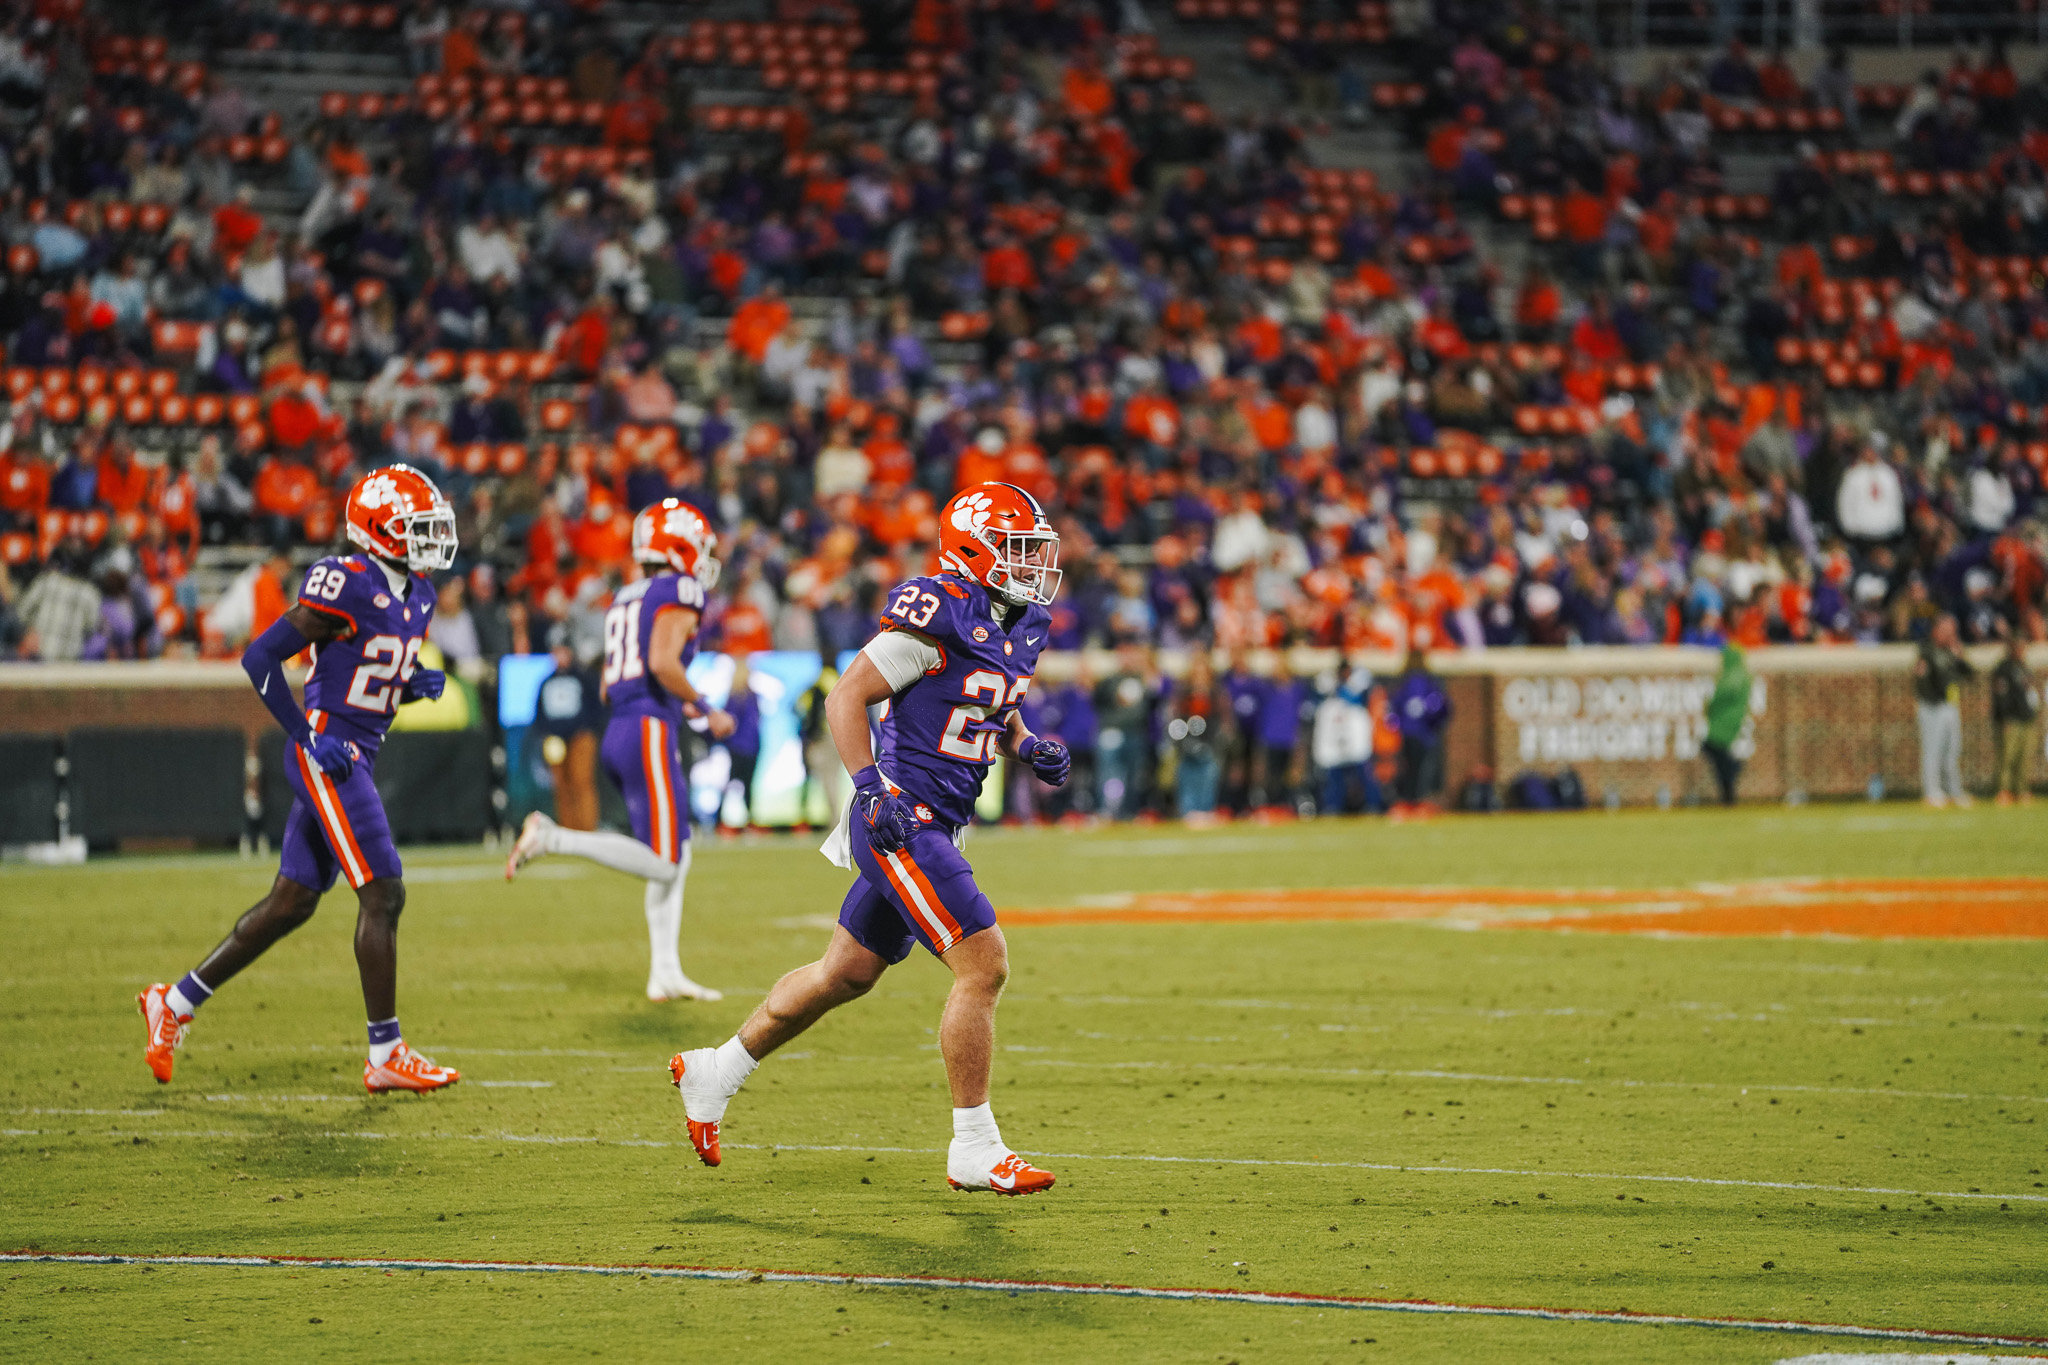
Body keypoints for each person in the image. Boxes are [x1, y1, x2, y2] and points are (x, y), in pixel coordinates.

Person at [667, 483, 1069, 1196]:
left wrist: (1026, 743)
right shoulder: (937, 610)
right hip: (901, 816)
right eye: (1017, 549)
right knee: (983, 964)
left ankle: (714, 1070)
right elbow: (846, 695)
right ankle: (974, 1145)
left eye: (1034, 549)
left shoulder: (1022, 620)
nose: (1033, 563)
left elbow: (991, 702)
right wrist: (868, 787)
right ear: (974, 549)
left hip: (938, 819)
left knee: (844, 973)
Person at [138, 464, 460, 1092]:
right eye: (416, 527)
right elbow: (260, 656)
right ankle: (386, 1051)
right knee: (384, 892)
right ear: (379, 529)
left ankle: (172, 1004)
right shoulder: (347, 581)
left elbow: (365, 674)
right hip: (328, 751)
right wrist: (308, 736)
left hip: (356, 751)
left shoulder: (418, 593)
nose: (429, 538)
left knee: (291, 903)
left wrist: (408, 685)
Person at [507, 499, 731, 1003]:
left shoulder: (627, 594)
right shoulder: (679, 589)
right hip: (647, 730)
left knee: (677, 854)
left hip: (625, 727)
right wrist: (705, 707)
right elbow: (663, 663)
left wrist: (676, 705)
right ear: (678, 546)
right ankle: (553, 837)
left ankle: (665, 972)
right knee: (666, 861)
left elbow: (612, 682)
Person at [1914, 614, 1975, 808]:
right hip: (1932, 706)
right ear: (1936, 630)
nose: (1950, 635)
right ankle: (1932, 792)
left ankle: (1954, 791)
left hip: (1950, 705)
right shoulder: (1927, 651)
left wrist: (1960, 657)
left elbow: (1970, 674)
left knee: (1952, 751)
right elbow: (1922, 681)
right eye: (1946, 630)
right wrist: (1933, 701)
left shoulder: (1952, 652)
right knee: (1932, 750)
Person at [1388, 649, 1451, 817]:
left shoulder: (1402, 684)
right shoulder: (1430, 683)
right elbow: (1441, 708)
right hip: (1425, 736)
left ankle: (1406, 803)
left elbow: (1393, 711)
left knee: (1408, 770)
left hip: (1406, 736)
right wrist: (1434, 726)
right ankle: (1420, 803)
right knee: (1424, 770)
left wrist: (1399, 727)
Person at [1699, 640, 1752, 806]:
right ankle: (1729, 787)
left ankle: (1733, 770)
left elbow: (1721, 695)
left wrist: (1709, 706)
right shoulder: (1744, 675)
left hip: (1723, 721)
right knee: (1720, 755)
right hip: (1733, 720)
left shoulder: (1732, 676)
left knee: (1712, 749)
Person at [1990, 636, 2039, 806]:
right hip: (2011, 719)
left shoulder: (2024, 667)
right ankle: (2004, 790)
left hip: (2026, 718)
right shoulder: (2003, 669)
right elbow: (2001, 695)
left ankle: (2021, 789)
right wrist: (2005, 718)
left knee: (2024, 757)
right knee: (2007, 757)